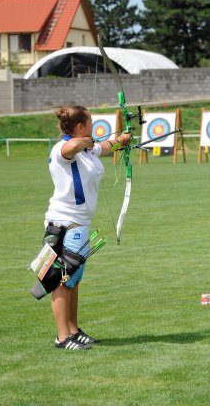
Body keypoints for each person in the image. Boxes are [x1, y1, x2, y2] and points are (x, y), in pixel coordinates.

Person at [45, 105, 132, 350]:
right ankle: (62, 338)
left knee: (73, 280)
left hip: (80, 225)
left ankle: (73, 330)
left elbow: (103, 147)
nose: (93, 127)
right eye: (89, 123)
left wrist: (121, 141)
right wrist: (84, 141)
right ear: (81, 127)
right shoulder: (64, 149)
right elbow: (71, 147)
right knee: (62, 280)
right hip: (64, 225)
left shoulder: (86, 150)